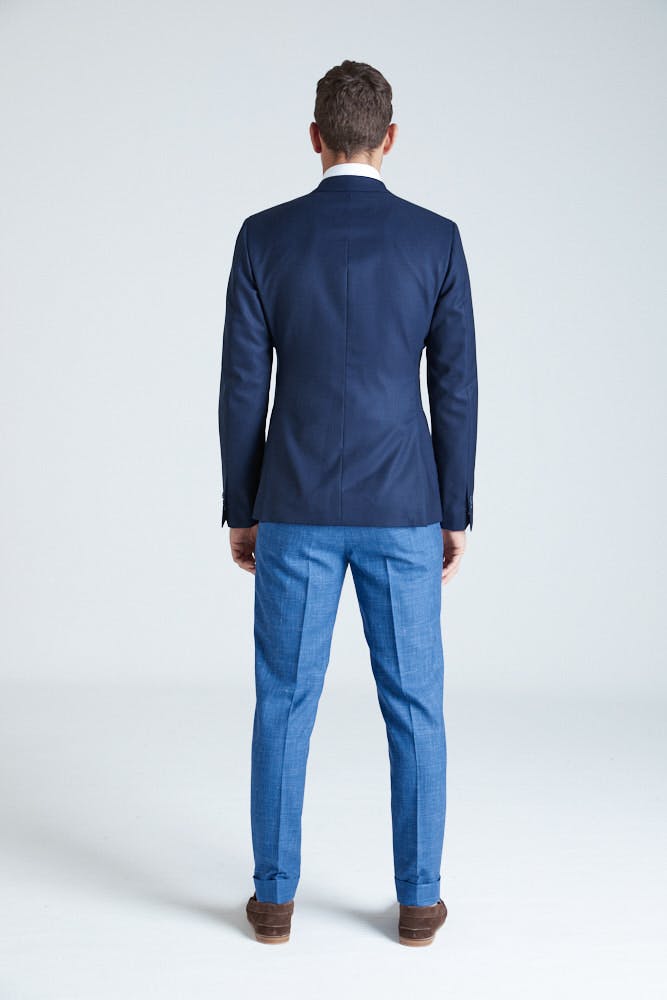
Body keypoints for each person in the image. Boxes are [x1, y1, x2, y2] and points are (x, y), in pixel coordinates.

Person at [218, 59, 477, 947]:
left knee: (283, 703)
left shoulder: (264, 237)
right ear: (389, 138)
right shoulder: (434, 239)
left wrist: (242, 506)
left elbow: (242, 386)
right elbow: (455, 388)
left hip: (292, 505)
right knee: (415, 707)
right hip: (404, 506)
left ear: (315, 138)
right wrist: (454, 510)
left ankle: (273, 904)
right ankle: (418, 905)